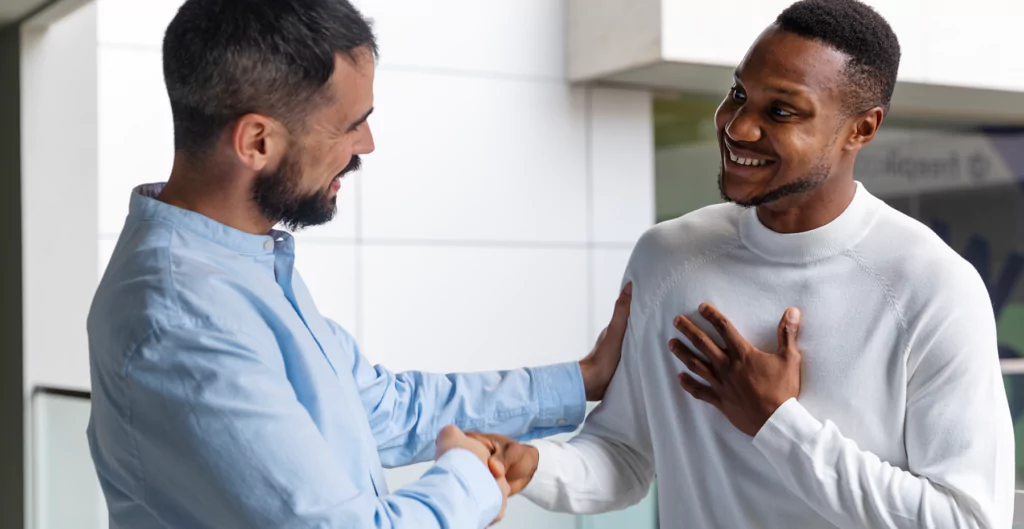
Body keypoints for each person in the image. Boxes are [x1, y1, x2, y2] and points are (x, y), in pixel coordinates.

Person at [85, 1, 632, 528]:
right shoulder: (184, 316)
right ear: (257, 141)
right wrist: (470, 474)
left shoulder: (240, 264)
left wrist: (582, 379)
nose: (365, 145)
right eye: (350, 124)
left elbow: (389, 410)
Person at [469, 1, 1016, 527]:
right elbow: (623, 455)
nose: (737, 127)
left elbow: (965, 518)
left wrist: (777, 425)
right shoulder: (667, 256)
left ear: (862, 129)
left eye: (780, 111)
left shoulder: (933, 287)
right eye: (738, 94)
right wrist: (532, 465)